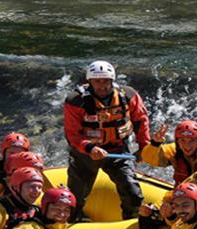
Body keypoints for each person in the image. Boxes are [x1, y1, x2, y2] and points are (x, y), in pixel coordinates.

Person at [63, 60, 151, 220]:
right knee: (74, 197)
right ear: (89, 81)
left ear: (112, 80)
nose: (102, 85)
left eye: (106, 81)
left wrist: (144, 147)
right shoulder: (76, 100)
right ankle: (71, 222)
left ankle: (131, 222)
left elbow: (141, 120)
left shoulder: (128, 95)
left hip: (118, 151)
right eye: (97, 81)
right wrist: (90, 148)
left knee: (133, 193)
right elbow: (72, 134)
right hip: (86, 154)